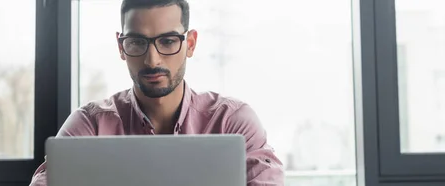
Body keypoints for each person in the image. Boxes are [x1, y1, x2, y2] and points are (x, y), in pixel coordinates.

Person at [29, 0, 284, 185]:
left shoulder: (233, 122)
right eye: (137, 42)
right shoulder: (90, 125)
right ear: (121, 47)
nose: (152, 60)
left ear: (190, 43)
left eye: (168, 41)